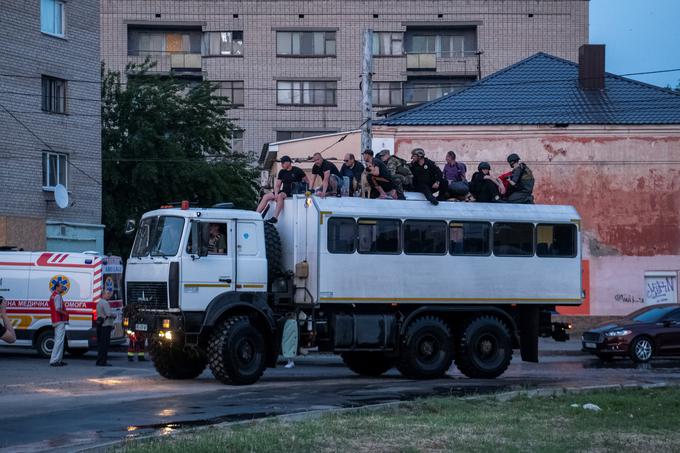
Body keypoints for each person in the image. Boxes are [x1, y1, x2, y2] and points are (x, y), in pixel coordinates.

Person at [256, 156, 310, 224]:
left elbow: (307, 181)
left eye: (282, 163)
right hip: (284, 191)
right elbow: (278, 185)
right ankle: (256, 215)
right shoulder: (282, 172)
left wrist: (306, 191)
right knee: (266, 196)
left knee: (280, 196)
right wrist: (275, 194)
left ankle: (275, 217)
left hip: (293, 192)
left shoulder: (297, 170)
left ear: (288, 163)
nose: (281, 165)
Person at [48, 281, 69, 367]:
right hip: (59, 320)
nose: (62, 288)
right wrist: (65, 313)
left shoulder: (53, 295)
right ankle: (54, 360)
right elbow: (58, 309)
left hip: (56, 320)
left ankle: (58, 360)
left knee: (59, 340)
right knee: (59, 341)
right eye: (61, 286)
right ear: (57, 287)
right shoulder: (57, 296)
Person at [96, 294, 116, 367]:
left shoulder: (99, 302)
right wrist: (114, 315)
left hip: (100, 325)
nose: (109, 295)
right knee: (105, 344)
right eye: (107, 294)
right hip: (106, 325)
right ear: (103, 295)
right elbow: (109, 314)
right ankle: (103, 361)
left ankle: (99, 360)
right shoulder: (105, 303)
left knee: (101, 344)